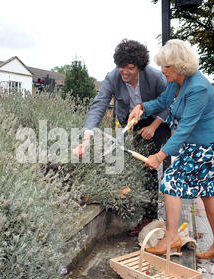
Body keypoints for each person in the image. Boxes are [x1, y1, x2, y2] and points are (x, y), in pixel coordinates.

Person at [128, 39, 214, 261]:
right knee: (208, 192)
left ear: (180, 65)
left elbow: (184, 129)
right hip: (200, 142)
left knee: (171, 182)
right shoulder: (176, 81)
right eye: (162, 66)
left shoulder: (199, 88)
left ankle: (172, 237)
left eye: (167, 66)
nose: (162, 70)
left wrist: (159, 155)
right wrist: (142, 108)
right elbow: (162, 102)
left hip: (208, 144)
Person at [72, 39, 171, 236]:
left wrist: (153, 126)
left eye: (130, 68)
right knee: (129, 164)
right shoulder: (112, 78)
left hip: (157, 120)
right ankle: (135, 210)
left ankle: (151, 218)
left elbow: (169, 104)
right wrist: (86, 137)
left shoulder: (155, 77)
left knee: (149, 167)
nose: (124, 72)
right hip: (130, 122)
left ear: (140, 67)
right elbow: (99, 105)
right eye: (120, 67)